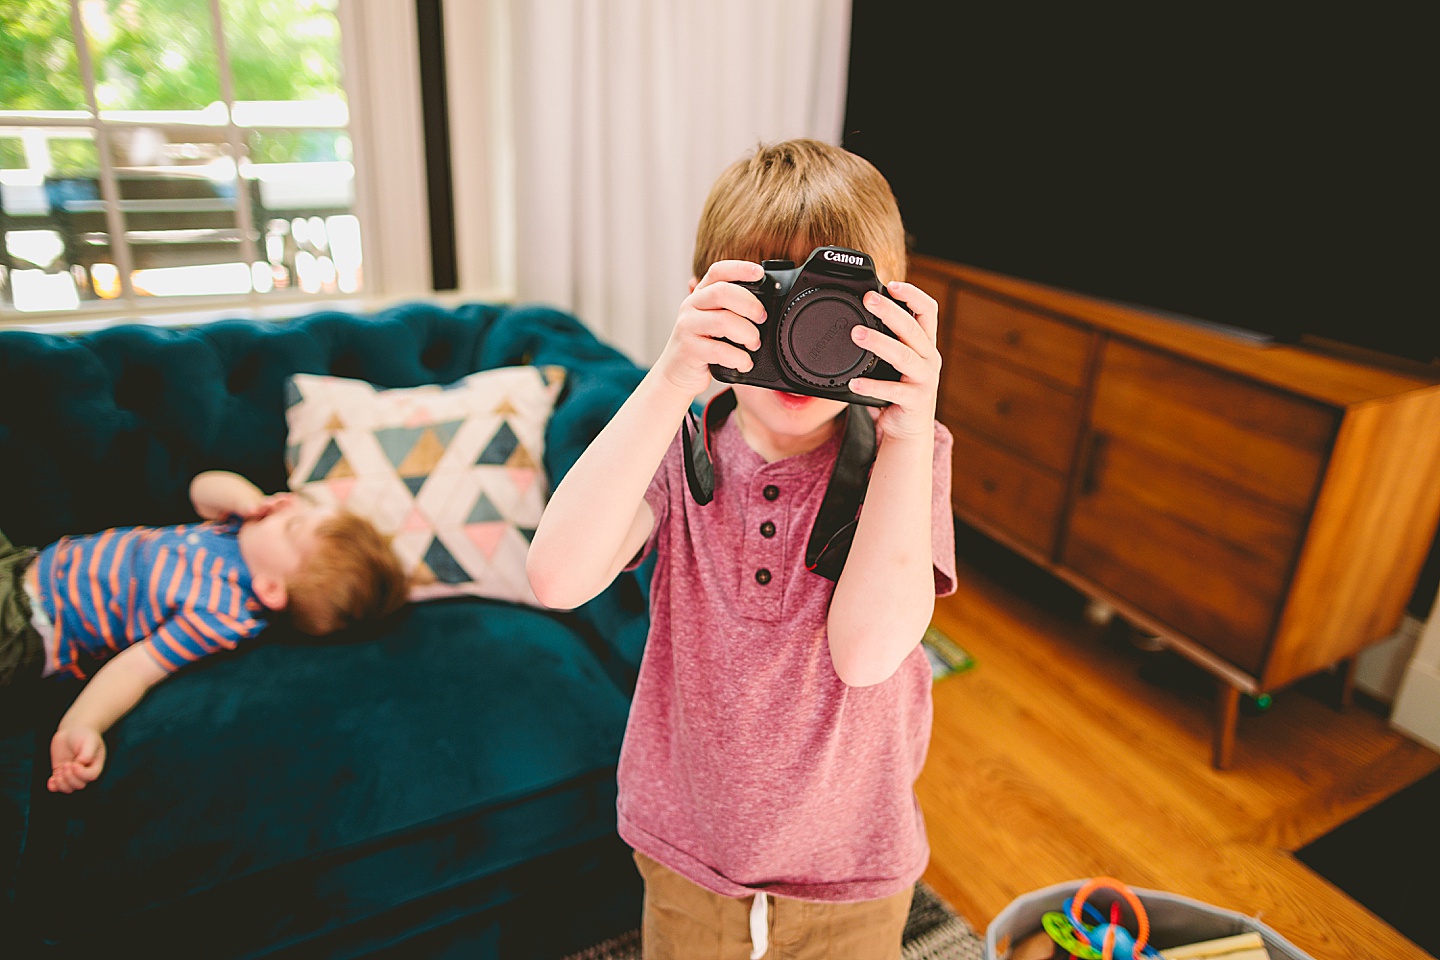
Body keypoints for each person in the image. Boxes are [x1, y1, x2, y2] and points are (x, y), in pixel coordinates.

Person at [527, 138, 956, 960]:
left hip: (850, 871)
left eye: (837, 307)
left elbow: (868, 653)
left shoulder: (911, 459)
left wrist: (903, 433)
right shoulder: (673, 439)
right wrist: (672, 378)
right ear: (706, 302)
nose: (805, 336)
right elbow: (555, 577)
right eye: (775, 299)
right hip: (685, 854)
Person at [0, 470, 409, 795]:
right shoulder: (239, 528)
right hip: (22, 563)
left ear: (271, 588)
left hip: (27, 626)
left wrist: (82, 725)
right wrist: (248, 499)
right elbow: (202, 489)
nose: (286, 506)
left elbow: (138, 668)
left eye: (293, 525)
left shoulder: (222, 615)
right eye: (302, 506)